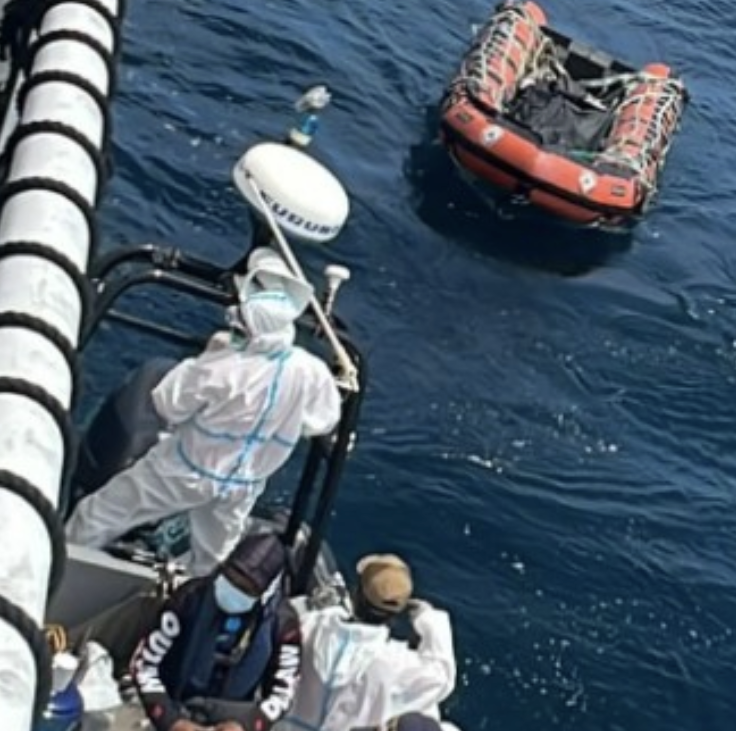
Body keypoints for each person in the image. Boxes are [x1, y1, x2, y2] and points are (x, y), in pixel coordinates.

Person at [65, 246, 343, 575]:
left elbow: (168, 404)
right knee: (213, 558)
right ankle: (196, 597)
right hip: (242, 487)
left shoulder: (222, 367)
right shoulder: (311, 372)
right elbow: (323, 421)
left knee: (98, 515)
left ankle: (60, 568)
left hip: (185, 473)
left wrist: (208, 357)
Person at [129, 533, 303, 731]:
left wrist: (246, 725)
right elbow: (145, 665)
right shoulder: (189, 597)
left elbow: (283, 694)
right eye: (230, 578)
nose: (234, 588)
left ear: (263, 594)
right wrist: (170, 721)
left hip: (236, 718)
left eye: (246, 589)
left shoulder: (283, 624)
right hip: (173, 705)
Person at [280, 553, 458, 731]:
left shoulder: (311, 625)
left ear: (356, 593)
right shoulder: (395, 664)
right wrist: (428, 618)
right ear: (395, 615)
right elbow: (442, 677)